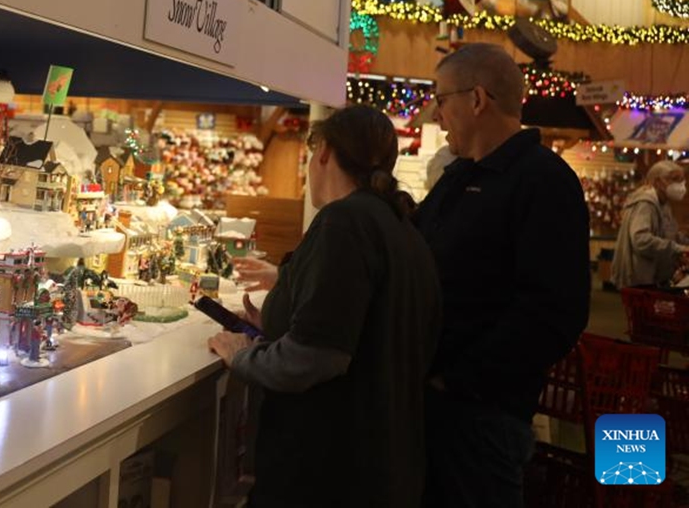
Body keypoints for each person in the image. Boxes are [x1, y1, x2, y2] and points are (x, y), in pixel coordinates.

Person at [208, 106, 441, 508]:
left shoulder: (344, 223)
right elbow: (363, 329)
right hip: (385, 467)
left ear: (325, 153)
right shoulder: (399, 225)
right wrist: (280, 323)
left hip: (330, 474)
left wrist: (243, 357)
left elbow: (316, 357)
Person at [412, 43, 589, 507]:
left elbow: (554, 311)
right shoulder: (457, 178)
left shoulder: (543, 181)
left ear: (476, 99)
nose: (435, 113)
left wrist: (458, 379)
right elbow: (406, 244)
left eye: (441, 98)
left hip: (483, 422)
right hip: (437, 410)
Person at [612, 160, 689, 289]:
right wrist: (677, 249)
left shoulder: (664, 204)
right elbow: (641, 240)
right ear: (658, 182)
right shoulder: (646, 204)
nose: (681, 185)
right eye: (675, 179)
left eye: (682, 180)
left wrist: (684, 244)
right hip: (640, 279)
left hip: (653, 277)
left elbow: (670, 234)